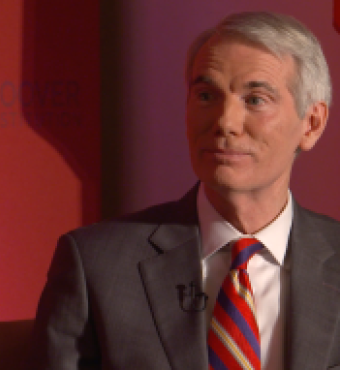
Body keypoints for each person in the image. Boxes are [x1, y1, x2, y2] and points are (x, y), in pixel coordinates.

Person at [28, 11, 340, 370]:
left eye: (255, 100)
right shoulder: (96, 266)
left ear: (312, 123)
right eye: (206, 95)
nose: (224, 122)